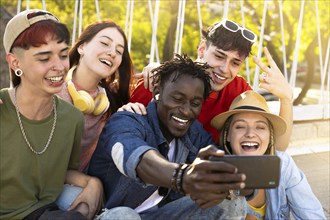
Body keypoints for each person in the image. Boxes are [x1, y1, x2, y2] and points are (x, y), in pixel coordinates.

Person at [88, 54, 254, 220]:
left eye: (195, 103)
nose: (186, 110)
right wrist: (183, 176)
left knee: (232, 202)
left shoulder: (194, 132)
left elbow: (222, 167)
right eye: (177, 99)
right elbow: (140, 160)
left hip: (163, 214)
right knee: (125, 216)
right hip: (113, 213)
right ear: (157, 93)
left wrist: (224, 185)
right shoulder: (127, 120)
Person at [126, 19, 293, 151]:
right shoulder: (159, 82)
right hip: (156, 174)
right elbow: (121, 134)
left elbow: (277, 148)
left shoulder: (238, 91)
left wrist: (286, 99)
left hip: (208, 174)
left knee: (284, 166)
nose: (224, 69)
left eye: (235, 63)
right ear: (201, 49)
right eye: (219, 56)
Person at [0, 9, 103, 220]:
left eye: (63, 55)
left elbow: (61, 171)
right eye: (44, 57)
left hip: (40, 213)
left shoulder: (72, 118)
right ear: (15, 63)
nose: (59, 66)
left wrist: (93, 183)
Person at [210, 90, 326, 220]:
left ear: (270, 136)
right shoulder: (214, 173)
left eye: (260, 127)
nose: (250, 133)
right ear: (228, 136)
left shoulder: (283, 165)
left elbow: (313, 216)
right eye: (240, 126)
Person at [57, 20, 134, 173]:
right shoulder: (51, 87)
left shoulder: (110, 100)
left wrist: (153, 69)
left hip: (81, 183)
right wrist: (89, 183)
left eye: (119, 51)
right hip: (43, 180)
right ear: (82, 47)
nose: (112, 53)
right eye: (105, 43)